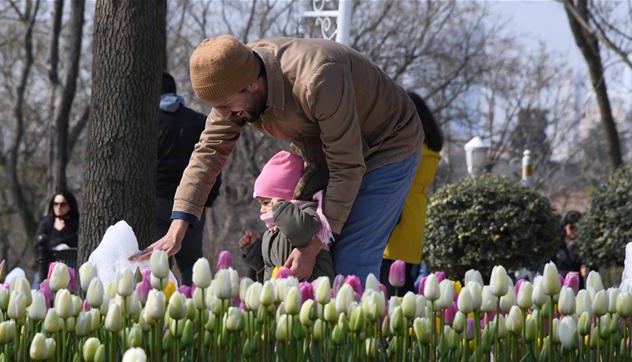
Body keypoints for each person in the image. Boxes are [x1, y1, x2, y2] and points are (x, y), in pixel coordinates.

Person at [136, 35, 423, 283]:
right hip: (327, 149)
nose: (224, 115)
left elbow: (347, 166)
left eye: (225, 106)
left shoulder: (318, 77)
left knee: (349, 258)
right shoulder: (231, 80)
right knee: (304, 243)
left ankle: (360, 342)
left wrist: (312, 246)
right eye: (216, 108)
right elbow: (208, 152)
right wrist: (177, 228)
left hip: (388, 144)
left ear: (251, 84)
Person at [157, 72, 221, 282]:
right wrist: (207, 200)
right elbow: (213, 164)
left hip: (157, 201)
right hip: (194, 202)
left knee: (158, 265)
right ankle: (194, 309)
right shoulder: (198, 121)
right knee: (192, 267)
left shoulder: (149, 124)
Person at [379, 91, 444, 293]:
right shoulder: (431, 147)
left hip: (398, 211)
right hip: (415, 214)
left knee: (388, 280)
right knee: (405, 279)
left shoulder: (412, 145)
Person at [239, 151, 334, 281]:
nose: (261, 210)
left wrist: (280, 207)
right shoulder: (272, 232)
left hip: (309, 291)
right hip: (283, 294)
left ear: (284, 198)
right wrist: (253, 250)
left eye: (266, 202)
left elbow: (301, 233)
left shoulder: (307, 212)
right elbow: (269, 268)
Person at [34, 191, 79, 281]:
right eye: (56, 204)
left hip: (70, 268)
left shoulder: (77, 223)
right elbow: (37, 243)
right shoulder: (46, 223)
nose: (58, 207)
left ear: (70, 206)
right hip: (47, 268)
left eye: (63, 204)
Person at [555, 210, 585, 282]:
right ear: (565, 227)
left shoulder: (585, 246)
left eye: (577, 228)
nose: (575, 231)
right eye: (571, 227)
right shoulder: (557, 245)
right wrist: (568, 274)